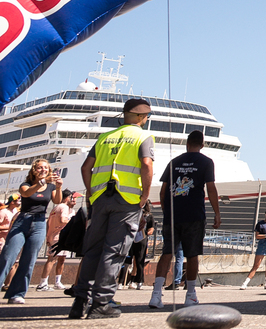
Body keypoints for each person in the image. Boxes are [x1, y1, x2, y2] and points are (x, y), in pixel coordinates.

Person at [69, 97, 154, 320]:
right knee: (114, 251)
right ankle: (101, 303)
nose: (146, 120)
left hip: (100, 199)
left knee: (92, 250)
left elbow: (86, 167)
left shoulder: (105, 137)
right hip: (126, 200)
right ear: (140, 117)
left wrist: (91, 192)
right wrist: (145, 195)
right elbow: (146, 164)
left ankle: (79, 301)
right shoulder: (143, 136)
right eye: (146, 116)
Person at [149, 130, 221, 309]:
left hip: (173, 216)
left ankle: (156, 295)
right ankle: (190, 295)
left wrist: (168, 212)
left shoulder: (174, 162)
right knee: (192, 254)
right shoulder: (206, 162)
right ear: (202, 145)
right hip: (194, 215)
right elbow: (211, 189)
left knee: (167, 253)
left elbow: (163, 191)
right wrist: (217, 213)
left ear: (187, 143)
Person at [0, 158, 64, 304]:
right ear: (34, 170)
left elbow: (57, 201)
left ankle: (17, 293)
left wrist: (58, 187)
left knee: (29, 259)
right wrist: (42, 182)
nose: (43, 170)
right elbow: (27, 193)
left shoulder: (50, 187)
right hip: (22, 221)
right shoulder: (26, 185)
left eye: (46, 168)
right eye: (40, 168)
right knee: (8, 256)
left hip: (40, 222)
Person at [36, 189, 79, 291]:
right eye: (71, 197)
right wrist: (73, 221)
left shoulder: (56, 208)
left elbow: (48, 223)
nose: (73, 199)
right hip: (58, 236)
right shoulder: (64, 207)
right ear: (67, 198)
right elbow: (63, 220)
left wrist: (48, 235)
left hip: (56, 236)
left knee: (61, 259)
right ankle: (43, 283)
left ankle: (57, 281)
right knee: (52, 259)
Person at [241, 208, 266, 289]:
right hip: (262, 244)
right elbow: (257, 236)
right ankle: (245, 283)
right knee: (256, 265)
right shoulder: (260, 224)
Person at [119, 203, 154, 289]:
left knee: (137, 260)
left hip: (140, 238)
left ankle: (137, 281)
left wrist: (147, 232)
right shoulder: (134, 213)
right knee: (130, 260)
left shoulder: (148, 216)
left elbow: (151, 228)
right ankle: (123, 281)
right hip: (133, 238)